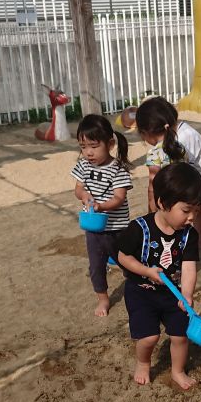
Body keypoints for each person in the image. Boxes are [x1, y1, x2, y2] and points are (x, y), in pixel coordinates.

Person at [118, 163, 201, 390]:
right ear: (162, 203)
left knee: (180, 336)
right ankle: (143, 362)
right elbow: (123, 257)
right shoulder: (139, 228)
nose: (191, 217)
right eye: (186, 211)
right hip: (141, 291)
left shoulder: (189, 235)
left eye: (196, 211)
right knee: (149, 338)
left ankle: (178, 371)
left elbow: (188, 267)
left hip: (173, 293)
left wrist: (186, 293)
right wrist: (147, 271)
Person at [135, 96, 201, 258]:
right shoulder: (175, 135)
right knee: (198, 211)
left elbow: (179, 170)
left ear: (148, 133)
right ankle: (199, 241)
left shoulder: (182, 138)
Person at [71, 114, 133, 317]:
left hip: (118, 229)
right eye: (83, 146)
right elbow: (78, 189)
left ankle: (136, 287)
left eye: (94, 146)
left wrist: (100, 206)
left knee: (127, 262)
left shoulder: (118, 170)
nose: (88, 152)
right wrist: (84, 195)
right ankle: (103, 299)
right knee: (96, 266)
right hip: (94, 229)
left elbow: (119, 198)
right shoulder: (83, 166)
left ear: (110, 143)